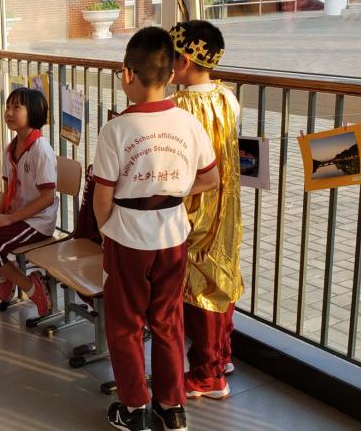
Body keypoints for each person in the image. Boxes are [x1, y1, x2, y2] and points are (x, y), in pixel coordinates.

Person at [92, 26, 220, 431]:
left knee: (126, 324)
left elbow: (102, 195)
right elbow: (211, 178)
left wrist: (107, 230)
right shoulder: (188, 123)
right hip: (173, 234)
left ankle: (134, 409)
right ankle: (171, 406)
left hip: (128, 237)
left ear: (127, 74)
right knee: (167, 320)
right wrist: (175, 191)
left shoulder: (116, 129)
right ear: (170, 73)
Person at [169, 20, 243, 400]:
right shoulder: (228, 98)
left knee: (200, 288)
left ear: (182, 61)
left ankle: (207, 376)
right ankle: (221, 357)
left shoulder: (178, 105)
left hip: (193, 204)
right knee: (222, 277)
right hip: (226, 205)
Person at [0, 88, 55, 317]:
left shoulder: (40, 150)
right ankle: (5, 276)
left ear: (33, 112)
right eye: (8, 107)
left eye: (17, 107)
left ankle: (32, 288)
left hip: (36, 222)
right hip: (15, 215)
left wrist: (10, 218)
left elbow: (47, 198)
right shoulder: (11, 148)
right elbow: (7, 190)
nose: (9, 113)